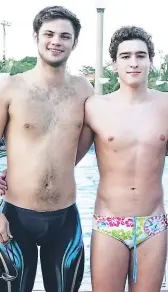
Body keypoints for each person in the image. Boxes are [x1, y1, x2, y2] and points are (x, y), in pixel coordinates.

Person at [75, 26, 168, 292]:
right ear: (114, 64)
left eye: (141, 55)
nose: (134, 62)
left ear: (151, 61)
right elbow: (70, 159)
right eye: (125, 56)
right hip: (109, 222)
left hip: (152, 223)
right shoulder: (95, 106)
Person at [0, 6, 94, 292]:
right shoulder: (11, 88)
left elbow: (81, 148)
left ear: (74, 43)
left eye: (65, 36)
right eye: (49, 34)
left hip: (65, 218)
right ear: (35, 37)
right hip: (16, 218)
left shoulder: (84, 91)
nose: (56, 41)